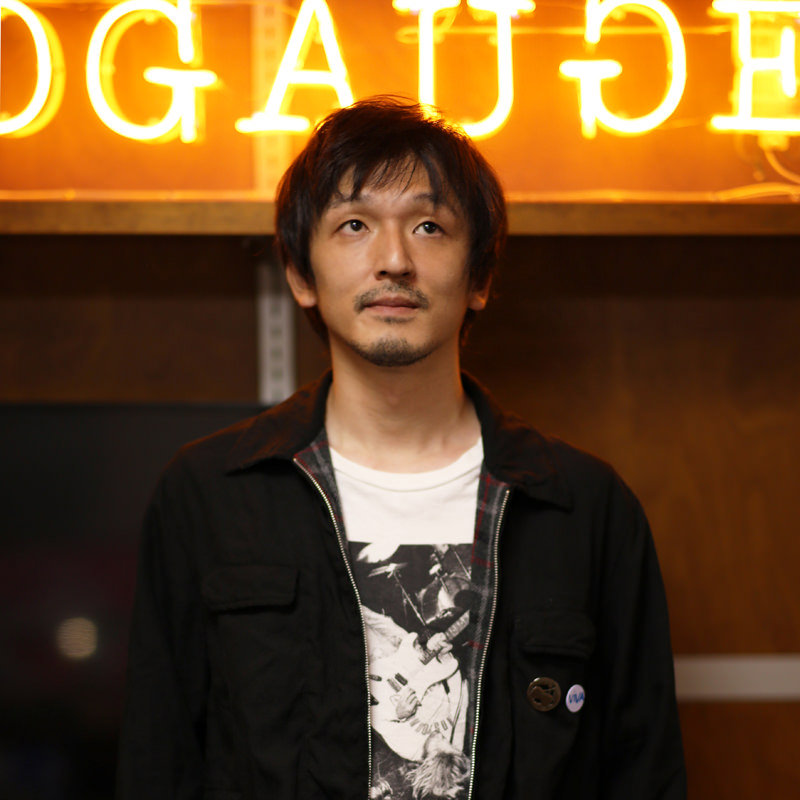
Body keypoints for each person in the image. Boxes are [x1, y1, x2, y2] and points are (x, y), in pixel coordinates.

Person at [116, 96, 686, 800]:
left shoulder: (585, 508)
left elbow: (644, 771)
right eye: (354, 225)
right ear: (301, 275)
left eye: (428, 226)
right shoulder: (211, 495)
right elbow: (160, 760)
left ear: (480, 279)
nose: (394, 261)